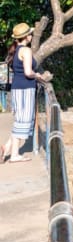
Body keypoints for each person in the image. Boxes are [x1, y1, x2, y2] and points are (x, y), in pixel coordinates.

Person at [0, 23, 44, 163]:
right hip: (26, 88)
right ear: (26, 37)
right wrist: (38, 75)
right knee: (24, 122)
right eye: (30, 34)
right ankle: (13, 154)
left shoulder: (16, 50)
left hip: (17, 88)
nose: (31, 35)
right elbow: (28, 72)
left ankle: (7, 150)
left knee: (20, 121)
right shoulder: (26, 51)